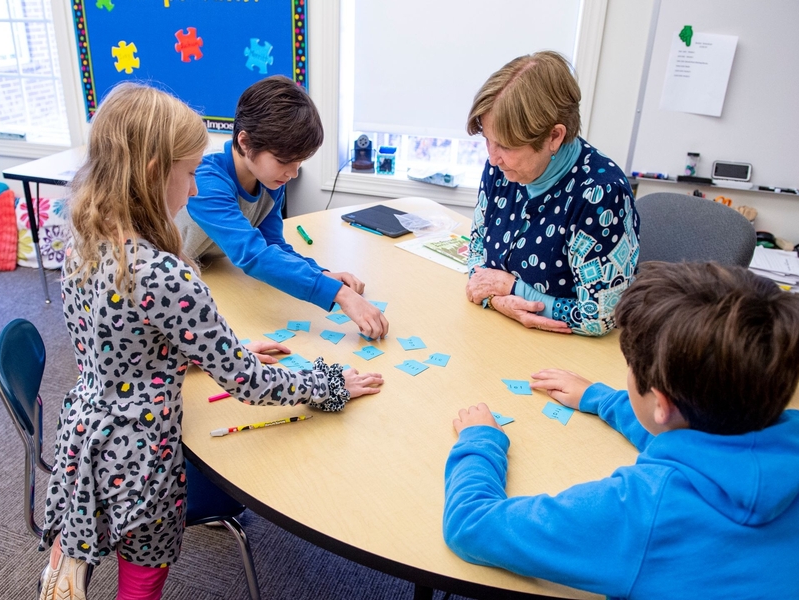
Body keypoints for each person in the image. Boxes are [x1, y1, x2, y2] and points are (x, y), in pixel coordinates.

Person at [39, 83, 384, 600]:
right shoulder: (166, 275)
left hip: (84, 437)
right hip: (144, 456)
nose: (196, 190)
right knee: (142, 579)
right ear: (156, 171)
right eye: (189, 173)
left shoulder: (83, 240)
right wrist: (330, 383)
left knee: (70, 573)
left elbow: (122, 344)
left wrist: (205, 353)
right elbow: (248, 383)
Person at [443, 262, 799, 598]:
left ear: (661, 403)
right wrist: (600, 398)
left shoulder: (644, 509)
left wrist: (480, 442)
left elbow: (472, 525)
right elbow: (701, 444)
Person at [175, 75, 388, 340]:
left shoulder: (271, 180)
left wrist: (321, 274)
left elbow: (273, 246)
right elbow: (254, 255)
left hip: (206, 272)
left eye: (299, 162)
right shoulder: (207, 181)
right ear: (245, 142)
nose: (294, 173)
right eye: (284, 160)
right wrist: (339, 294)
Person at [464, 51, 639, 336]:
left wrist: (512, 289)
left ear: (554, 136)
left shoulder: (601, 195)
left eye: (506, 146)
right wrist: (497, 301)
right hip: (498, 333)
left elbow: (601, 315)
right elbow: (476, 253)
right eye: (488, 140)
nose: (493, 158)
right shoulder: (502, 168)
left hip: (571, 355)